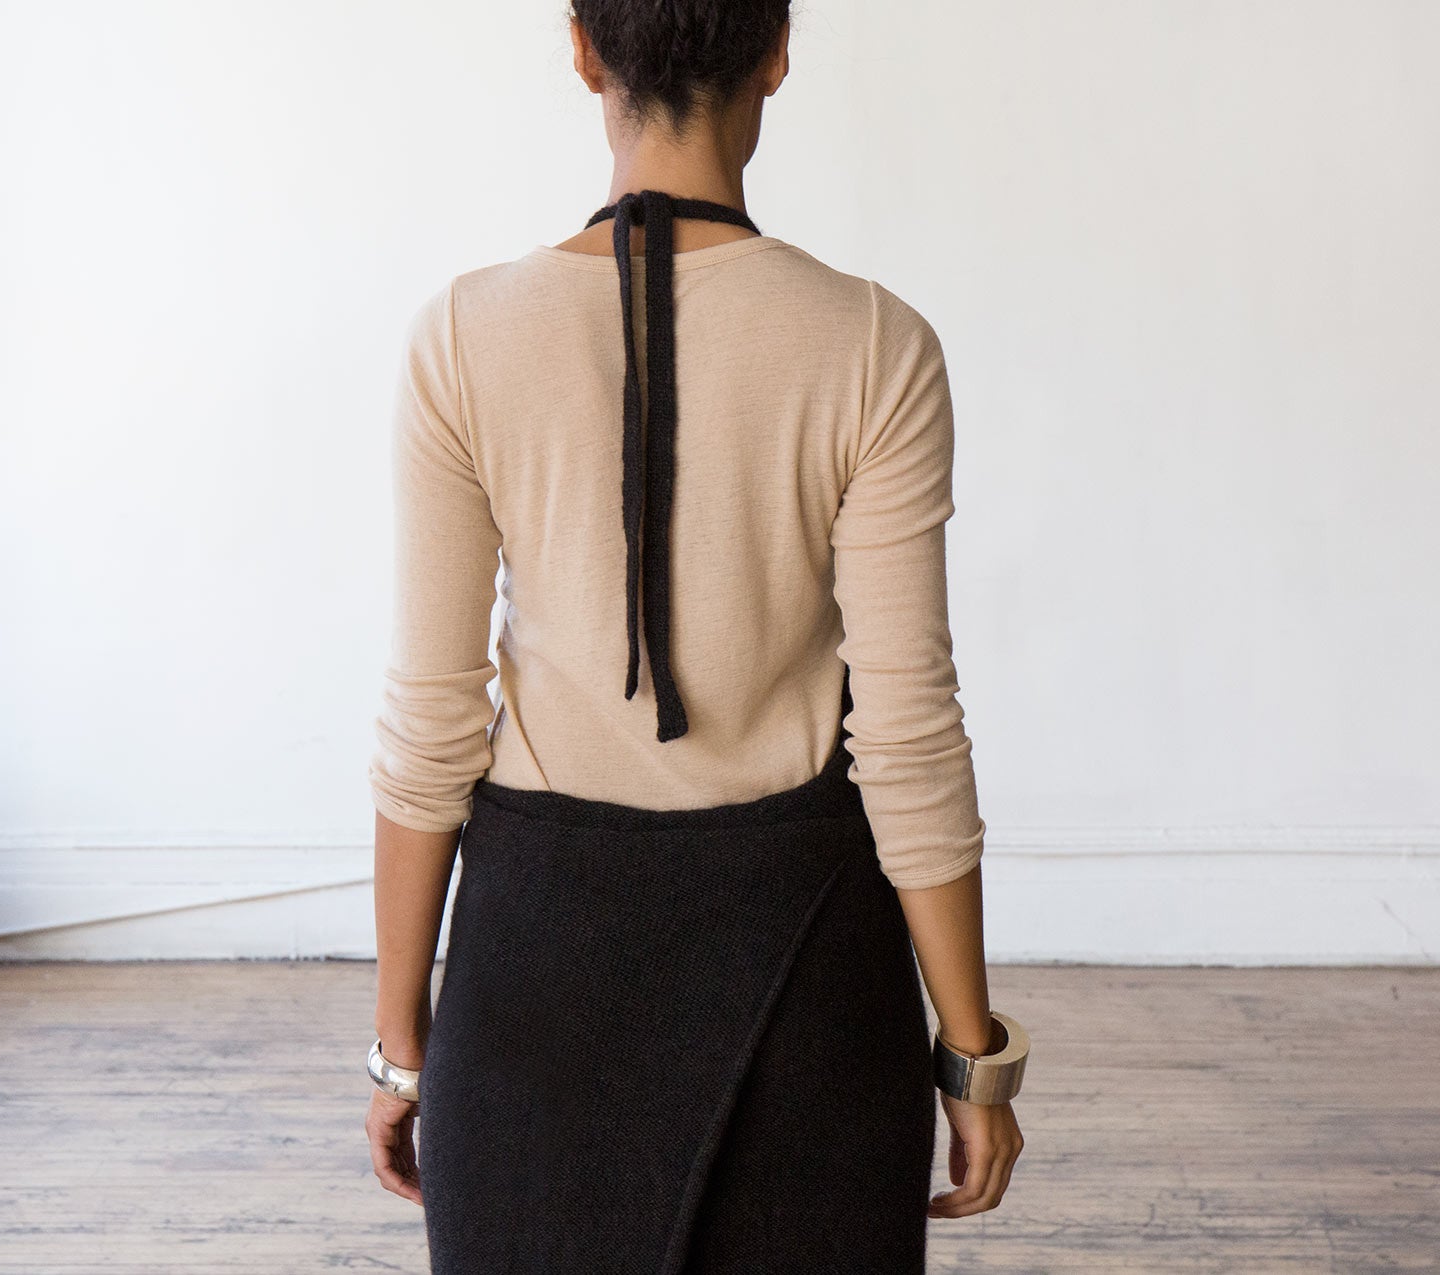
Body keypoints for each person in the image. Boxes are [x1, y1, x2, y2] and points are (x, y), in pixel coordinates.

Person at [361, 3, 1026, 1270]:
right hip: (806, 979)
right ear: (776, 50)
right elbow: (908, 734)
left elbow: (428, 724)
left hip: (532, 979)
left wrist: (402, 1047)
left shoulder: (461, 336)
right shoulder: (874, 345)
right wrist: (970, 1055)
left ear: (581, 49)